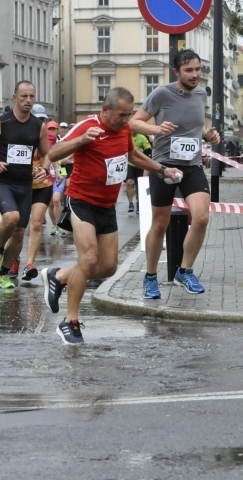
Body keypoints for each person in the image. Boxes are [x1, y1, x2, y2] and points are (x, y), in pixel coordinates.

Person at [41, 87, 182, 344]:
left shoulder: (125, 130)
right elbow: (53, 153)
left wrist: (163, 170)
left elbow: (132, 156)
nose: (126, 120)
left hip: (107, 205)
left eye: (129, 115)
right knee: (88, 258)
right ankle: (70, 320)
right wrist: (81, 141)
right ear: (105, 110)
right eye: (121, 115)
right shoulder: (88, 126)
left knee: (108, 266)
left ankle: (59, 276)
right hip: (81, 201)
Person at [129, 49, 221, 299]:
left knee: (201, 218)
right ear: (176, 71)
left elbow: (198, 125)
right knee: (160, 224)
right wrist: (157, 129)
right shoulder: (162, 94)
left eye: (198, 70)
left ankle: (185, 270)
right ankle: (150, 277)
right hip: (164, 166)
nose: (195, 75)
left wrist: (208, 134)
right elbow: (134, 122)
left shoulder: (201, 94)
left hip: (191, 165)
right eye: (189, 70)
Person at [0, 81, 51, 289]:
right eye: (24, 96)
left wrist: (43, 168)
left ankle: (3, 273)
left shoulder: (39, 126)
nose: (28, 101)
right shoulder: (2, 121)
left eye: (31, 97)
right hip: (2, 182)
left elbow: (46, 153)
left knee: (19, 232)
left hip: (25, 184)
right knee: (11, 217)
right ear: (14, 97)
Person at [20, 114, 63, 281]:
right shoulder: (19, 135)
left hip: (42, 185)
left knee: (36, 223)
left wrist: (57, 170)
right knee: (18, 228)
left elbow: (50, 154)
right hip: (21, 186)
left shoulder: (46, 135)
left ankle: (30, 264)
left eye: (42, 119)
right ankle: (13, 259)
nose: (39, 122)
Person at [126, 131, 153, 213]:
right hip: (129, 163)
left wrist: (138, 151)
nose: (133, 131)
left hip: (140, 164)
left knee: (139, 185)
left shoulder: (142, 137)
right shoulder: (126, 137)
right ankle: (130, 203)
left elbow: (148, 150)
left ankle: (139, 203)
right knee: (129, 182)